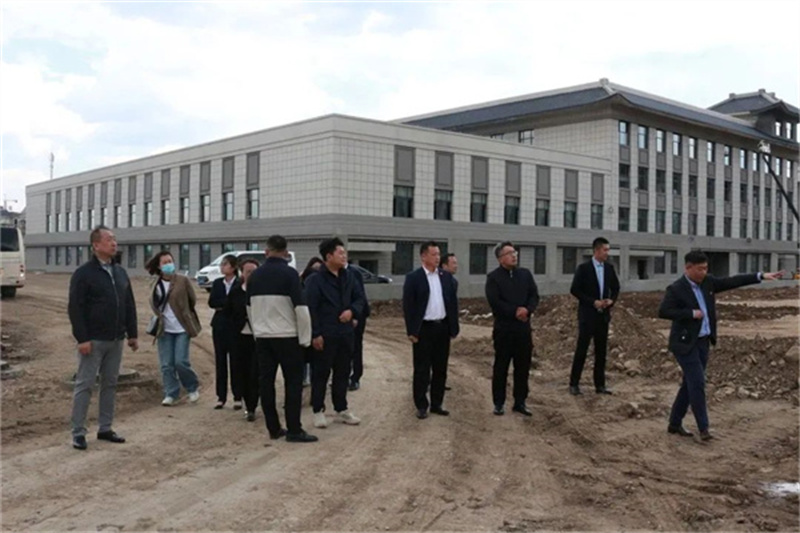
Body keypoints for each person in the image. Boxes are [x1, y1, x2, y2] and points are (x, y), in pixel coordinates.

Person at [658, 251, 783, 441]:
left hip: (703, 342)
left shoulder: (708, 282)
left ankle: (674, 424)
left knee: (689, 384)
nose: (703, 272)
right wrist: (691, 313)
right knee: (697, 383)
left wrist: (761, 276)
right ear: (688, 268)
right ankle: (704, 429)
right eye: (700, 269)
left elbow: (732, 281)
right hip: (684, 344)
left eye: (705, 268)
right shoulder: (676, 289)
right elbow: (664, 311)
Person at [68, 226, 138, 450]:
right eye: (109, 239)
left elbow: (128, 304)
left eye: (114, 239)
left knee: (110, 384)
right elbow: (75, 308)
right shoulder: (84, 274)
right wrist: (82, 338)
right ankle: (78, 432)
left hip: (116, 339)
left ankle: (105, 427)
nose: (114, 243)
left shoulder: (120, 273)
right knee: (85, 385)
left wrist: (132, 333)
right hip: (93, 340)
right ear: (96, 245)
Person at [247, 235, 317, 443]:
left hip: (263, 336)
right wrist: (305, 339)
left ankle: (274, 428)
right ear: (286, 252)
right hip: (287, 336)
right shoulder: (290, 274)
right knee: (293, 383)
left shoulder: (254, 276)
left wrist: (257, 332)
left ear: (266, 251)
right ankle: (294, 429)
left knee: (266, 383)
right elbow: (301, 309)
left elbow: (249, 308)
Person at [305, 238, 365, 428]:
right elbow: (311, 308)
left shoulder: (349, 277)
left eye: (344, 252)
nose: (344, 256)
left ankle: (341, 408)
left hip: (345, 333)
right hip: (325, 334)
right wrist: (315, 334)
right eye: (340, 253)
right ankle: (318, 410)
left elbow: (360, 299)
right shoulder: (315, 280)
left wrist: (352, 312)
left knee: (343, 372)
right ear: (328, 256)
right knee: (321, 374)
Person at [402, 241, 459, 419]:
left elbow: (452, 304)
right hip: (424, 329)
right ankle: (421, 404)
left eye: (438, 254)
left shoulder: (446, 277)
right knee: (422, 369)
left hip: (442, 327)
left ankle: (437, 403)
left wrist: (453, 327)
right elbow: (408, 306)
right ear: (423, 256)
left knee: (440, 368)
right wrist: (412, 331)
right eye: (433, 254)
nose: (437, 258)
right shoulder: (414, 278)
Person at [485, 241, 539, 416]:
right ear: (500, 259)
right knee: (501, 367)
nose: (514, 255)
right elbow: (495, 302)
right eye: (509, 253)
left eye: (515, 252)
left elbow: (534, 295)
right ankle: (498, 402)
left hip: (523, 329)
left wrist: (527, 310)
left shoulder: (525, 274)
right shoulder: (493, 278)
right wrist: (515, 311)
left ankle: (520, 401)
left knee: (522, 367)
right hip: (504, 330)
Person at [147, 251, 202, 407]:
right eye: (164, 262)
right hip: (164, 329)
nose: (168, 264)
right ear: (159, 266)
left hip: (182, 328)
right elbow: (154, 303)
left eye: (170, 261)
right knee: (166, 364)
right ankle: (171, 393)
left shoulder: (183, 280)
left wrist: (185, 313)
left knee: (181, 361)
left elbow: (192, 300)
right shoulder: (155, 283)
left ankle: (192, 387)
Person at [568, 237, 621, 395]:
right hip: (587, 316)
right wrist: (593, 302)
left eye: (608, 250)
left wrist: (611, 301)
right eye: (605, 250)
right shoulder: (584, 269)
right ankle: (574, 384)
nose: (607, 253)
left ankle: (600, 385)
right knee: (582, 350)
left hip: (603, 317)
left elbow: (616, 287)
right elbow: (575, 290)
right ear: (596, 250)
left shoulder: (609, 268)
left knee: (601, 352)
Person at [224, 259, 261, 421]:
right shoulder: (236, 292)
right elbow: (227, 313)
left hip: (257, 338)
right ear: (242, 273)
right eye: (248, 271)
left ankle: (253, 404)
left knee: (255, 372)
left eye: (254, 271)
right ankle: (246, 402)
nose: (251, 274)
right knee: (241, 371)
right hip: (239, 337)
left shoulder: (262, 291)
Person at [208, 254, 240, 410]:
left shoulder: (239, 283)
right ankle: (221, 397)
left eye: (225, 264)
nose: (222, 267)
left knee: (236, 362)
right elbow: (212, 302)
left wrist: (225, 305)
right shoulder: (217, 283)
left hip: (235, 326)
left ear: (233, 267)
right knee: (220, 361)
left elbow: (238, 303)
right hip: (219, 325)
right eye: (221, 264)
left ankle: (237, 396)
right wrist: (227, 304)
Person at [300, 257, 324, 388]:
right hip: (304, 327)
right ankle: (304, 377)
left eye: (319, 268)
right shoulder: (301, 287)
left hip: (318, 327)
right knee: (303, 356)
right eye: (315, 268)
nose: (317, 271)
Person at [348, 262, 370, 391]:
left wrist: (356, 315)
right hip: (343, 315)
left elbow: (360, 296)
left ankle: (355, 377)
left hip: (357, 315)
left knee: (355, 346)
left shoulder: (354, 272)